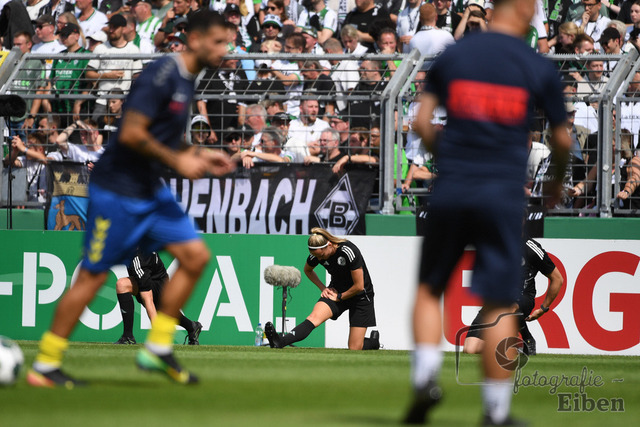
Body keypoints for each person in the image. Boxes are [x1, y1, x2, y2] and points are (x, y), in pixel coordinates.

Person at [27, 10, 235, 388]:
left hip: (149, 188)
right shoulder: (161, 75)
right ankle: (45, 364)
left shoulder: (187, 80)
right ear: (195, 39)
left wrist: (199, 153)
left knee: (195, 257)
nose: (226, 49)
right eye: (219, 42)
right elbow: (131, 134)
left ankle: (156, 348)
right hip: (117, 190)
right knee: (92, 278)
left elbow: (165, 138)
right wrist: (178, 161)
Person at [404, 0, 571, 424]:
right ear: (526, 11)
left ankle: (425, 380)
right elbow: (562, 139)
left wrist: (451, 157)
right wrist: (554, 183)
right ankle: (495, 412)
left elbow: (421, 123)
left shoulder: (456, 54)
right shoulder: (536, 66)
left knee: (429, 289)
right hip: (501, 194)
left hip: (453, 186)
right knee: (498, 304)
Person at [264, 228, 380, 350]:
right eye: (316, 256)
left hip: (360, 296)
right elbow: (307, 270)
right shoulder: (317, 254)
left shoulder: (348, 251)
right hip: (335, 291)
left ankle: (374, 342)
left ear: (329, 245)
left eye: (322, 255)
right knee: (313, 318)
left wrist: (340, 297)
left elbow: (359, 286)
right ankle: (280, 342)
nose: (319, 260)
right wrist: (323, 288)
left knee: (354, 347)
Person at [463, 238, 564, 356]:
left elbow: (557, 279)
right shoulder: (495, 244)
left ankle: (527, 338)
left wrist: (543, 309)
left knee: (509, 305)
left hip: (523, 298)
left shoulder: (531, 247)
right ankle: (511, 348)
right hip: (496, 301)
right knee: (470, 349)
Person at [114, 251, 203, 346]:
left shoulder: (138, 259)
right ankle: (128, 336)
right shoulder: (136, 248)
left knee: (123, 285)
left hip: (159, 284)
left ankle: (191, 327)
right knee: (122, 285)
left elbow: (148, 299)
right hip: (153, 278)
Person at [85, 13, 143, 122]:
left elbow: (137, 76)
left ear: (123, 29)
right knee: (96, 129)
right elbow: (88, 74)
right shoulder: (100, 48)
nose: (111, 30)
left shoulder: (133, 50)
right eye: (110, 26)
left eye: (115, 27)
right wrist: (107, 75)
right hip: (102, 101)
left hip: (124, 101)